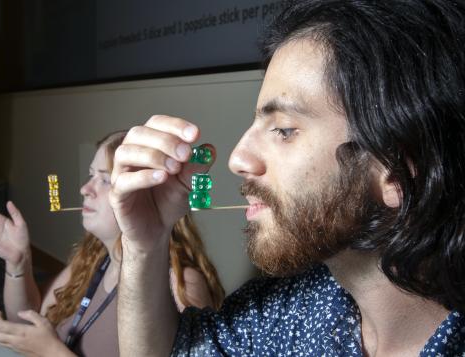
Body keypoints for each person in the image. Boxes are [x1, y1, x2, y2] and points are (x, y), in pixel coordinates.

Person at [110, 1, 465, 356]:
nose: (237, 159)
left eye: (283, 130)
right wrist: (146, 246)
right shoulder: (292, 312)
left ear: (398, 171)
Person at [0, 130, 225, 357]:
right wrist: (18, 262)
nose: (85, 189)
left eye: (105, 179)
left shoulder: (181, 285)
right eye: (90, 175)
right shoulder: (95, 257)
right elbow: (26, 323)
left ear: (148, 197)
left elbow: (42, 346)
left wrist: (53, 352)